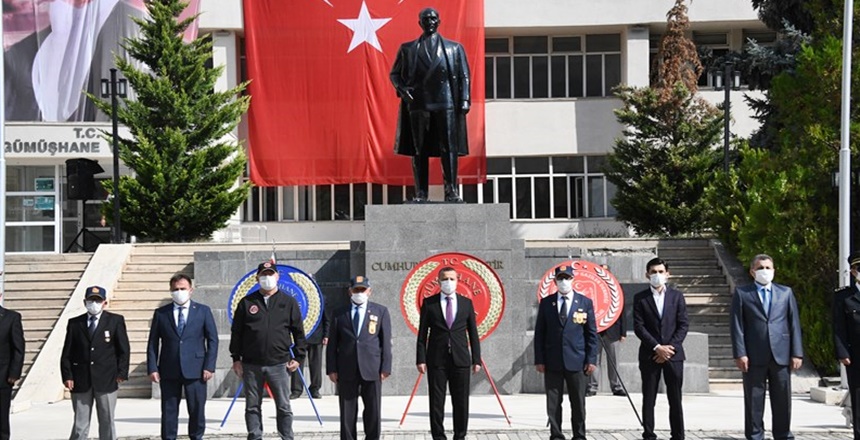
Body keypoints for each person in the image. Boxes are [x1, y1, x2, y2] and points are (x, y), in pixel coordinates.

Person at [390, 7, 471, 203]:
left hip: (446, 101)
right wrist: (403, 90)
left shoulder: (454, 48)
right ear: (420, 23)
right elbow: (394, 74)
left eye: (433, 18)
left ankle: (451, 191)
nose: (430, 22)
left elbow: (464, 76)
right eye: (426, 19)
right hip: (418, 103)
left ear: (439, 21)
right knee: (419, 149)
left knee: (449, 148)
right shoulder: (408, 49)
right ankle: (421, 193)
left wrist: (465, 99)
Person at [230, 261, 307, 440]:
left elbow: (298, 332)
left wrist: (299, 357)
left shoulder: (288, 302)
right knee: (252, 406)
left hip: (279, 364)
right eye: (263, 275)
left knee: (283, 406)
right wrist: (236, 359)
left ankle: (286, 437)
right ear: (257, 278)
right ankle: (255, 436)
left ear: (277, 276)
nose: (267, 278)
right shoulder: (247, 302)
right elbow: (237, 333)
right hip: (251, 364)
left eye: (270, 274)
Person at [730, 254, 803, 440]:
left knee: (782, 399)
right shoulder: (743, 293)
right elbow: (737, 326)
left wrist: (797, 353)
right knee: (754, 399)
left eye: (768, 268)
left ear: (774, 270)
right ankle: (755, 435)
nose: (765, 271)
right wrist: (740, 353)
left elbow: (794, 323)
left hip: (781, 354)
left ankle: (783, 434)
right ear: (752, 271)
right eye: (760, 268)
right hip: (753, 355)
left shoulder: (785, 293)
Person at [146, 274, 218, 440]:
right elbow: (153, 343)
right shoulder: (161, 313)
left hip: (196, 369)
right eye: (175, 289)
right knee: (169, 410)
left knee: (197, 409)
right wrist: (153, 367)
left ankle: (196, 436)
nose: (179, 292)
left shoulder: (203, 311)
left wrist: (209, 366)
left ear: (190, 290)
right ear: (171, 291)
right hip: (169, 369)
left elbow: (212, 340)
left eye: (183, 289)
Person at [534, 264, 598, 440]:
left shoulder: (584, 302)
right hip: (552, 360)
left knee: (578, 402)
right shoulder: (547, 303)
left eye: (567, 278)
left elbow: (591, 334)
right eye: (560, 278)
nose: (564, 281)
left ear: (573, 279)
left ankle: (579, 435)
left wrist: (591, 359)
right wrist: (539, 359)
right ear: (555, 281)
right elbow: (540, 333)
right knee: (553, 402)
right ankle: (556, 434)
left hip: (577, 361)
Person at [416, 266, 481, 440]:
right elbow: (422, 335)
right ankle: (438, 436)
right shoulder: (429, 303)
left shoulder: (466, 303)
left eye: (452, 279)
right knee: (436, 402)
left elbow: (473, 333)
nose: (448, 282)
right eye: (445, 279)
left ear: (457, 280)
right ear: (438, 281)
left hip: (461, 359)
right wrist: (420, 359)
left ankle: (460, 435)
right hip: (437, 359)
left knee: (461, 402)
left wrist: (476, 359)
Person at [60, 286, 130, 440]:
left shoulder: (115, 321)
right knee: (80, 424)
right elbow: (67, 353)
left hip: (107, 379)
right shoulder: (75, 323)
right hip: (80, 380)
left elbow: (123, 349)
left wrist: (122, 372)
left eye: (98, 300)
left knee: (107, 420)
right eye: (91, 300)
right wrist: (67, 376)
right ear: (84, 302)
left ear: (105, 302)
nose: (94, 303)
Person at [326, 276, 392, 440]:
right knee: (347, 411)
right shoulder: (339, 313)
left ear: (369, 291)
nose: (359, 293)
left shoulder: (380, 311)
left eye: (363, 289)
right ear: (350, 292)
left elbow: (386, 341)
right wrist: (331, 368)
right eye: (356, 290)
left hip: (372, 368)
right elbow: (332, 344)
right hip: (346, 368)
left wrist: (386, 367)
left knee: (373, 410)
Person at [633, 258, 689, 440]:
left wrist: (669, 349)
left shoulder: (677, 296)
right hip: (650, 355)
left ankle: (678, 435)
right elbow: (639, 327)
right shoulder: (640, 298)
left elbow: (683, 325)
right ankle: (649, 434)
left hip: (673, 355)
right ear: (647, 274)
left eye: (660, 271)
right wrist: (657, 348)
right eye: (653, 272)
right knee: (649, 398)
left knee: (675, 398)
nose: (657, 275)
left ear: (667, 274)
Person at [833, 251, 860, 440]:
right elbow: (838, 327)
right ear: (853, 271)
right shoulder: (844, 296)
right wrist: (842, 352)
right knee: (858, 397)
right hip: (856, 354)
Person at [587, 307, 626, 397]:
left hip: (613, 332)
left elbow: (621, 312)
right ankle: (592, 387)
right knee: (594, 360)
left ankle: (616, 387)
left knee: (614, 361)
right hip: (594, 332)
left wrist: (623, 332)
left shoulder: (617, 296)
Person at [0, 293, 24, 440]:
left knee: (2, 417)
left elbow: (18, 348)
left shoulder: (11, 317)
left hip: (3, 377)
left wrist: (14, 373)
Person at [291, 310, 329, 400]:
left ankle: (315, 389)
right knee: (297, 363)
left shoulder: (321, 301)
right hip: (299, 337)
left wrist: (326, 335)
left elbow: (326, 318)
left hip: (316, 336)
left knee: (316, 364)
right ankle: (296, 390)